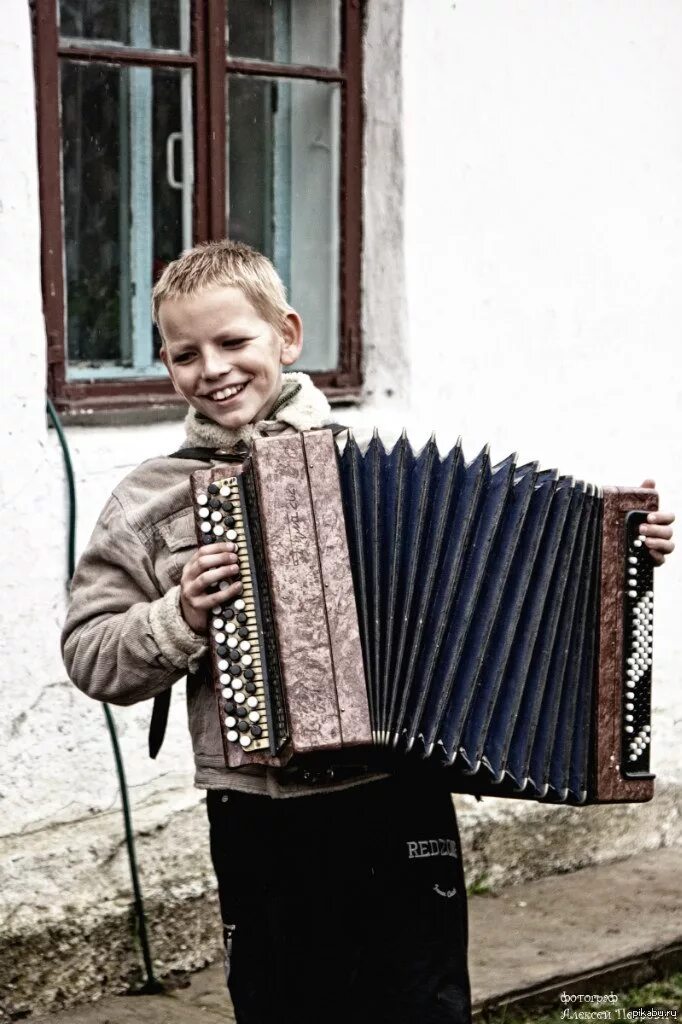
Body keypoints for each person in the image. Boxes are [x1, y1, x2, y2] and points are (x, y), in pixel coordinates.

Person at [61, 239, 675, 1024]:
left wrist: (619, 554)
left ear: (287, 334)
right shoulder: (152, 499)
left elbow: (503, 581)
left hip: (396, 801)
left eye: (234, 342)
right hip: (264, 816)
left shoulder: (374, 470)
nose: (211, 368)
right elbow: (89, 653)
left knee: (424, 1006)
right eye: (185, 353)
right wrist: (177, 617)